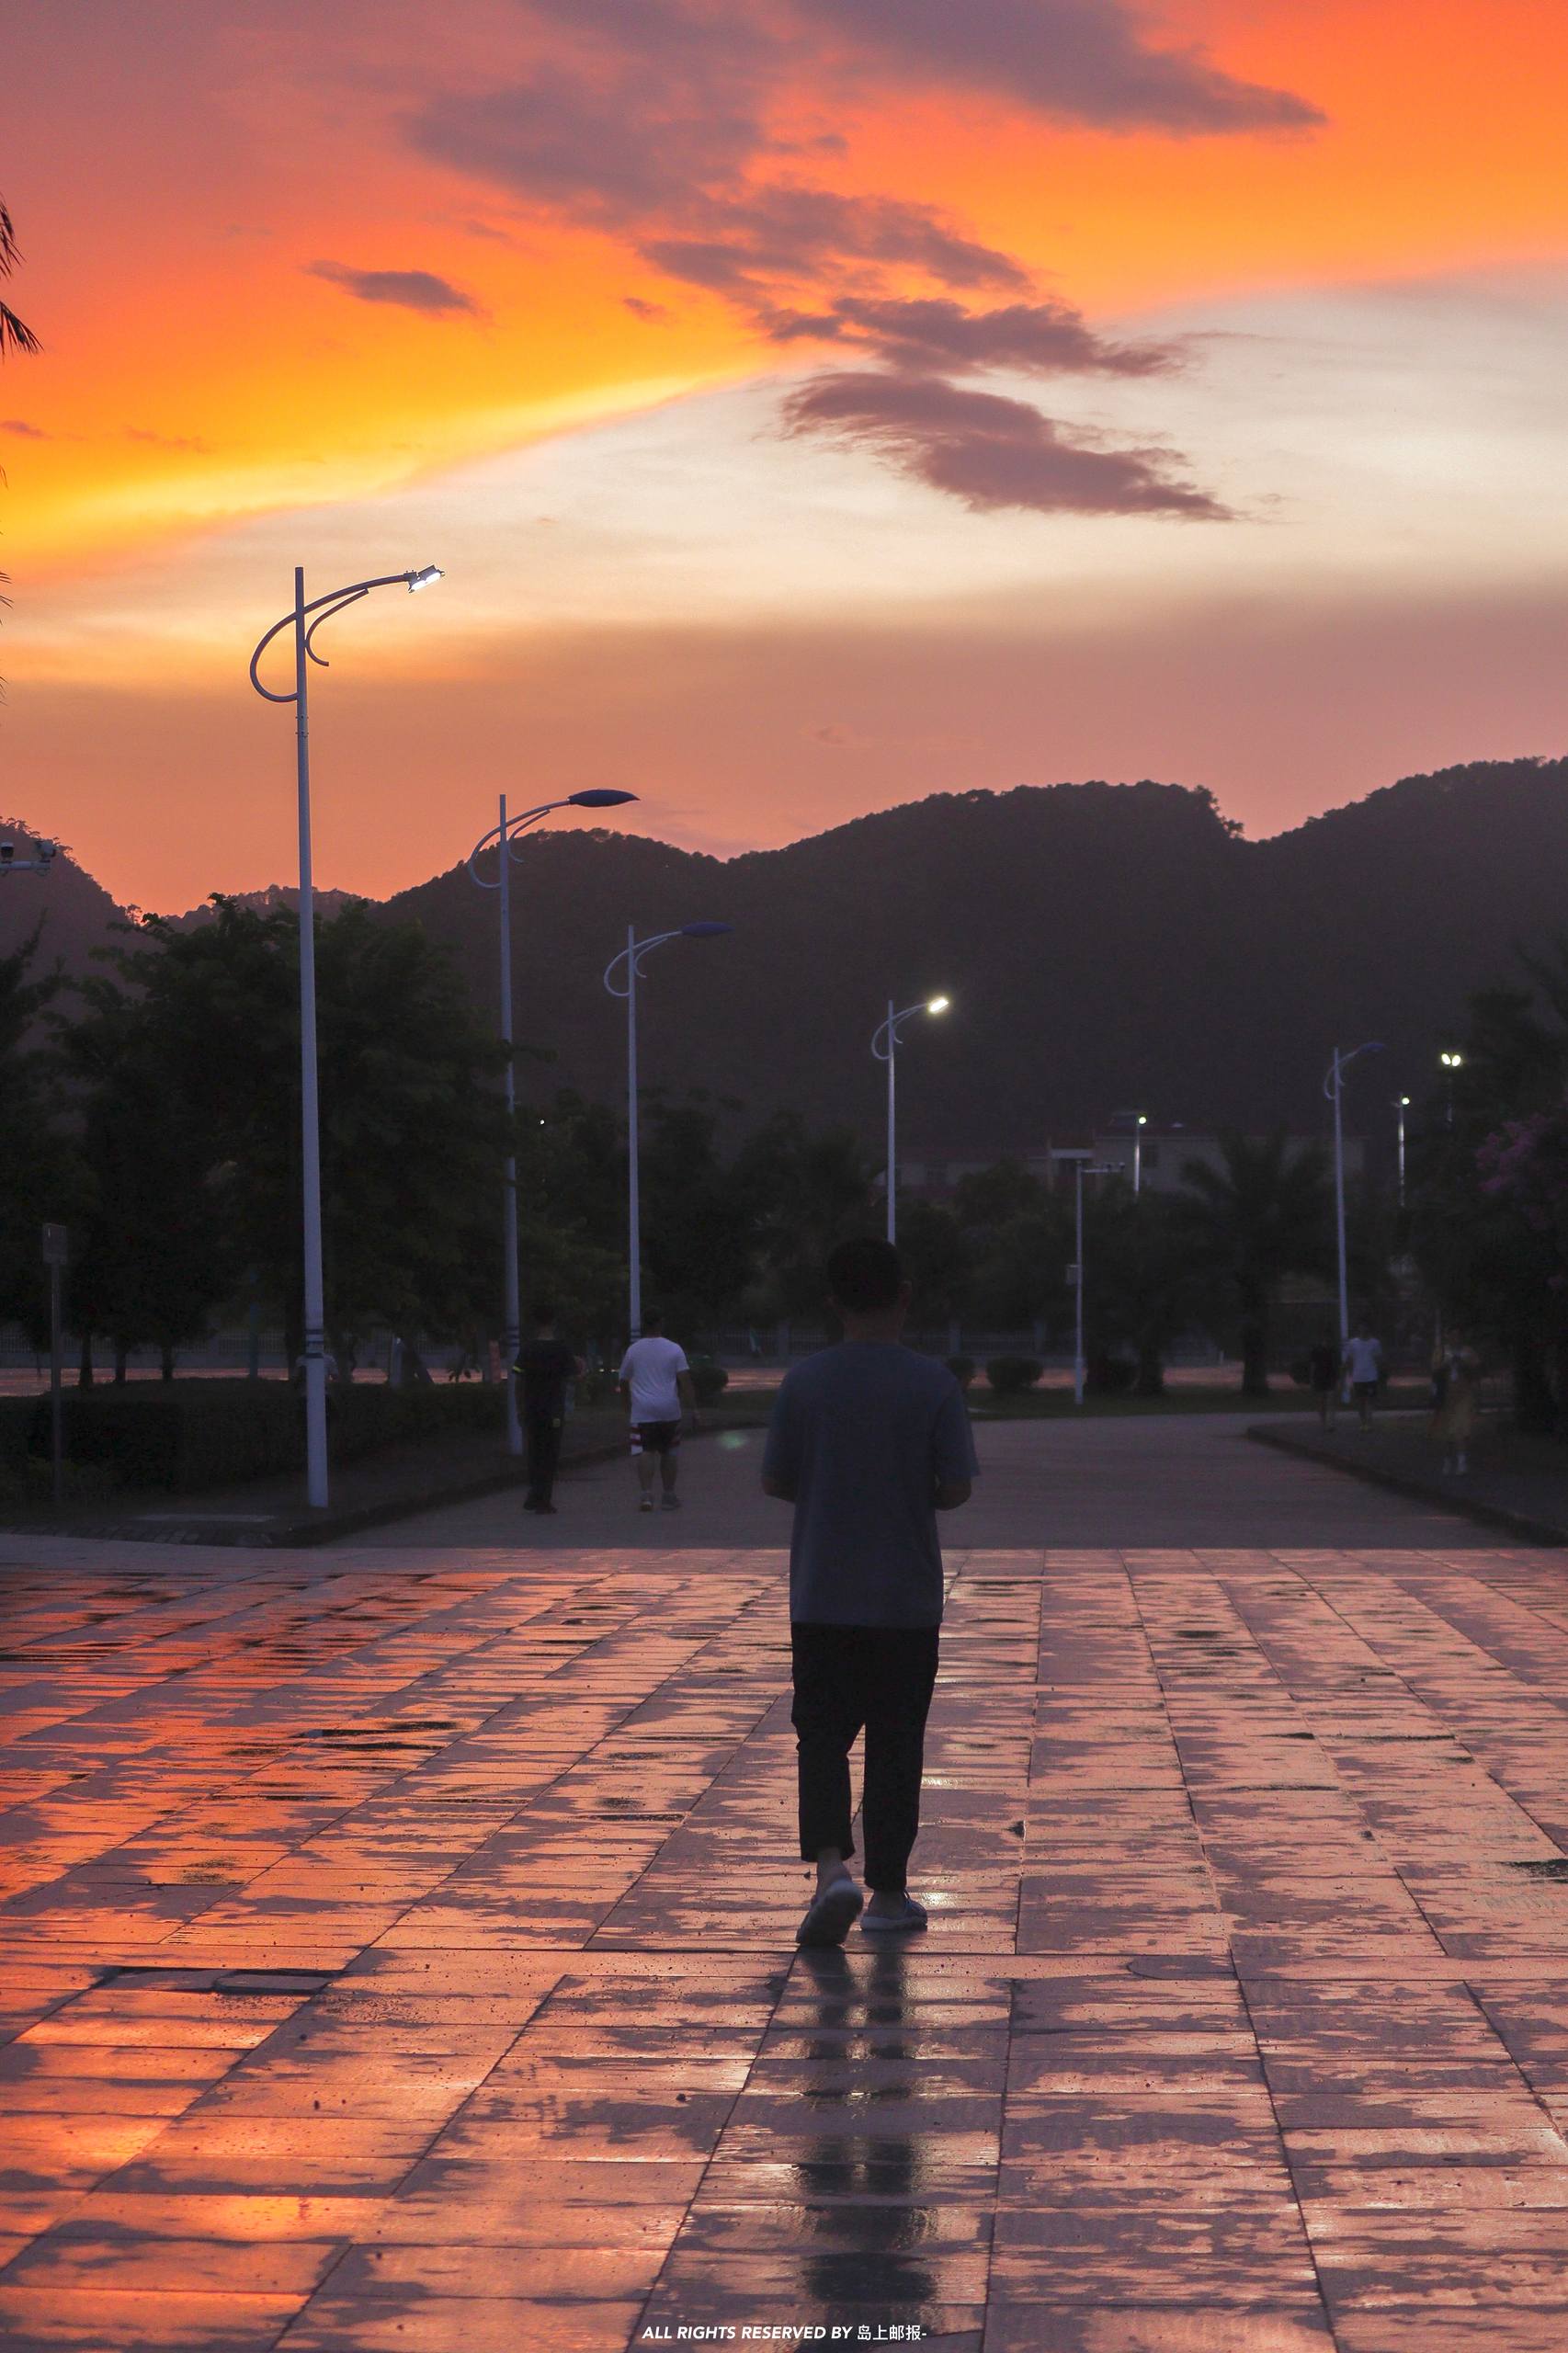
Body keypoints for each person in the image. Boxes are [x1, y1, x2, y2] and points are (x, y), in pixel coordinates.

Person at [763, 1233, 977, 1949]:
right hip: (905, 1599)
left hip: (822, 1592)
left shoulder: (805, 1382)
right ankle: (888, 1892)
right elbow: (955, 1487)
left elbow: (777, 1479)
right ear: (905, 1296)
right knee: (896, 1740)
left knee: (820, 1736)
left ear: (832, 1301)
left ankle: (831, 1871)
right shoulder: (933, 1384)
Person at [618, 1311, 695, 1513]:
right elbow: (685, 1380)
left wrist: (626, 1404)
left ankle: (646, 1494)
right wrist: (694, 1408)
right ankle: (668, 1495)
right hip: (669, 1409)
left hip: (643, 1410)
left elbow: (623, 1380)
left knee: (645, 1450)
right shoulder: (674, 1349)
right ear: (661, 1323)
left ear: (643, 1325)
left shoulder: (633, 1350)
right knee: (669, 1451)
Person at [515, 1303, 584, 1515]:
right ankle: (543, 1499)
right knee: (550, 1453)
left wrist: (519, 1408)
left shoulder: (527, 1348)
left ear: (535, 1323)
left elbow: (519, 1379)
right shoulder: (561, 1348)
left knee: (534, 1452)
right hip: (554, 1409)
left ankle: (535, 1492)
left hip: (532, 1408)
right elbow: (574, 1375)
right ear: (554, 1322)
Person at [1431, 1334, 1481, 1475]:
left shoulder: (1468, 1352)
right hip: (1446, 1396)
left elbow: (1476, 1371)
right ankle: (1447, 1461)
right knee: (1448, 1431)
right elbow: (1434, 1370)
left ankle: (1461, 1462)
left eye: (1457, 1335)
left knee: (1461, 1428)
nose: (1455, 1338)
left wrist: (1463, 1364)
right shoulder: (1441, 1352)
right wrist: (1447, 1364)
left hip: (1464, 1395)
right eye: (1452, 1334)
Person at [1342, 1319, 1383, 1432]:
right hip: (1358, 1377)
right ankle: (1363, 1422)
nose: (1363, 1329)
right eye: (1361, 1326)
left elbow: (1379, 1360)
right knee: (1360, 1401)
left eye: (1365, 1326)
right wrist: (1348, 1374)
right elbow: (1349, 1360)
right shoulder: (1353, 1343)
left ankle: (1369, 1422)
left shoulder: (1375, 1343)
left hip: (1371, 1376)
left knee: (1370, 1400)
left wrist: (1380, 1375)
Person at [1307, 1336, 1339, 1432]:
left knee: (1331, 1400)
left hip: (1331, 1377)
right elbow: (1313, 1365)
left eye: (1328, 1340)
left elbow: (1337, 1365)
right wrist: (1312, 1378)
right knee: (1321, 1401)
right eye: (1325, 1340)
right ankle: (1323, 1423)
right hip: (1320, 1377)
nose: (1326, 1342)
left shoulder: (1333, 1351)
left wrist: (1337, 1378)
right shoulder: (1316, 1351)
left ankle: (1331, 1423)